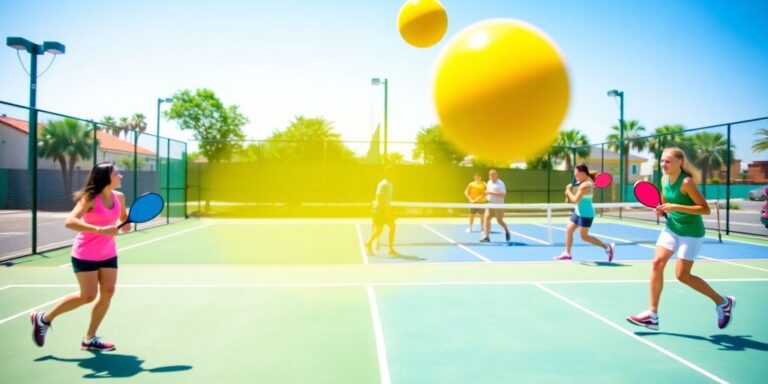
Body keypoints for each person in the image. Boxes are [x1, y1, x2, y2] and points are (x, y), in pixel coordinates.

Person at [627, 148, 734, 330]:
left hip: (691, 232)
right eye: (662, 161)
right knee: (657, 263)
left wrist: (675, 206)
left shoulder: (687, 182)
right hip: (672, 228)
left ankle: (723, 302)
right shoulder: (663, 179)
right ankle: (652, 315)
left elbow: (704, 209)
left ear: (680, 162)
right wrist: (661, 209)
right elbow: (663, 200)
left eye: (668, 161)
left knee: (682, 275)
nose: (663, 165)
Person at [30, 162, 130, 351]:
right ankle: (43, 319)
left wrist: (125, 224)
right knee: (88, 296)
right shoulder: (90, 198)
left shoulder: (120, 197)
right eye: (117, 173)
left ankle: (89, 339)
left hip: (108, 252)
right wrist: (98, 229)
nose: (121, 176)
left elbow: (122, 218)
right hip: (85, 253)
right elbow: (70, 221)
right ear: (105, 177)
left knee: (108, 291)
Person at [555, 164, 615, 261]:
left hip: (586, 214)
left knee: (584, 237)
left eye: (576, 174)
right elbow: (576, 184)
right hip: (578, 212)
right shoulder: (585, 181)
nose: (575, 176)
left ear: (583, 173)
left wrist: (568, 191)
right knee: (569, 229)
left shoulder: (585, 185)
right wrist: (571, 186)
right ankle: (567, 253)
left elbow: (575, 200)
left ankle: (607, 247)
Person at [365, 166, 397, 256]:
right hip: (379, 210)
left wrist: (391, 211)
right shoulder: (382, 184)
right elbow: (379, 198)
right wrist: (386, 211)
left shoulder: (390, 184)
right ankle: (368, 243)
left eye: (394, 172)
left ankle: (390, 249)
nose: (393, 174)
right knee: (379, 230)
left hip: (386, 209)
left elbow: (387, 200)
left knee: (392, 227)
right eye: (392, 172)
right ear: (387, 173)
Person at [480, 169, 511, 243]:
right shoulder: (488, 182)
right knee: (486, 218)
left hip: (499, 205)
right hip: (490, 204)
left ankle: (507, 230)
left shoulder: (500, 183)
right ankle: (486, 237)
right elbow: (488, 192)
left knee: (499, 221)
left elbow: (503, 195)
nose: (491, 176)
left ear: (496, 175)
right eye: (490, 175)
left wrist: (491, 193)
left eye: (493, 175)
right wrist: (486, 196)